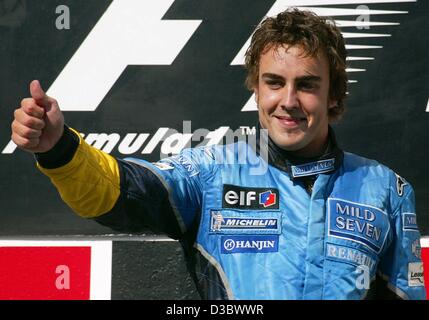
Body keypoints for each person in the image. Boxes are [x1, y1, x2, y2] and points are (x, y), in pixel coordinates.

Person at [11, 8, 426, 299]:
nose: (289, 100)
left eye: (307, 84)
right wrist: (62, 149)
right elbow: (121, 192)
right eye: (274, 82)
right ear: (256, 88)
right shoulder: (211, 173)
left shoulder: (384, 189)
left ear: (333, 93)